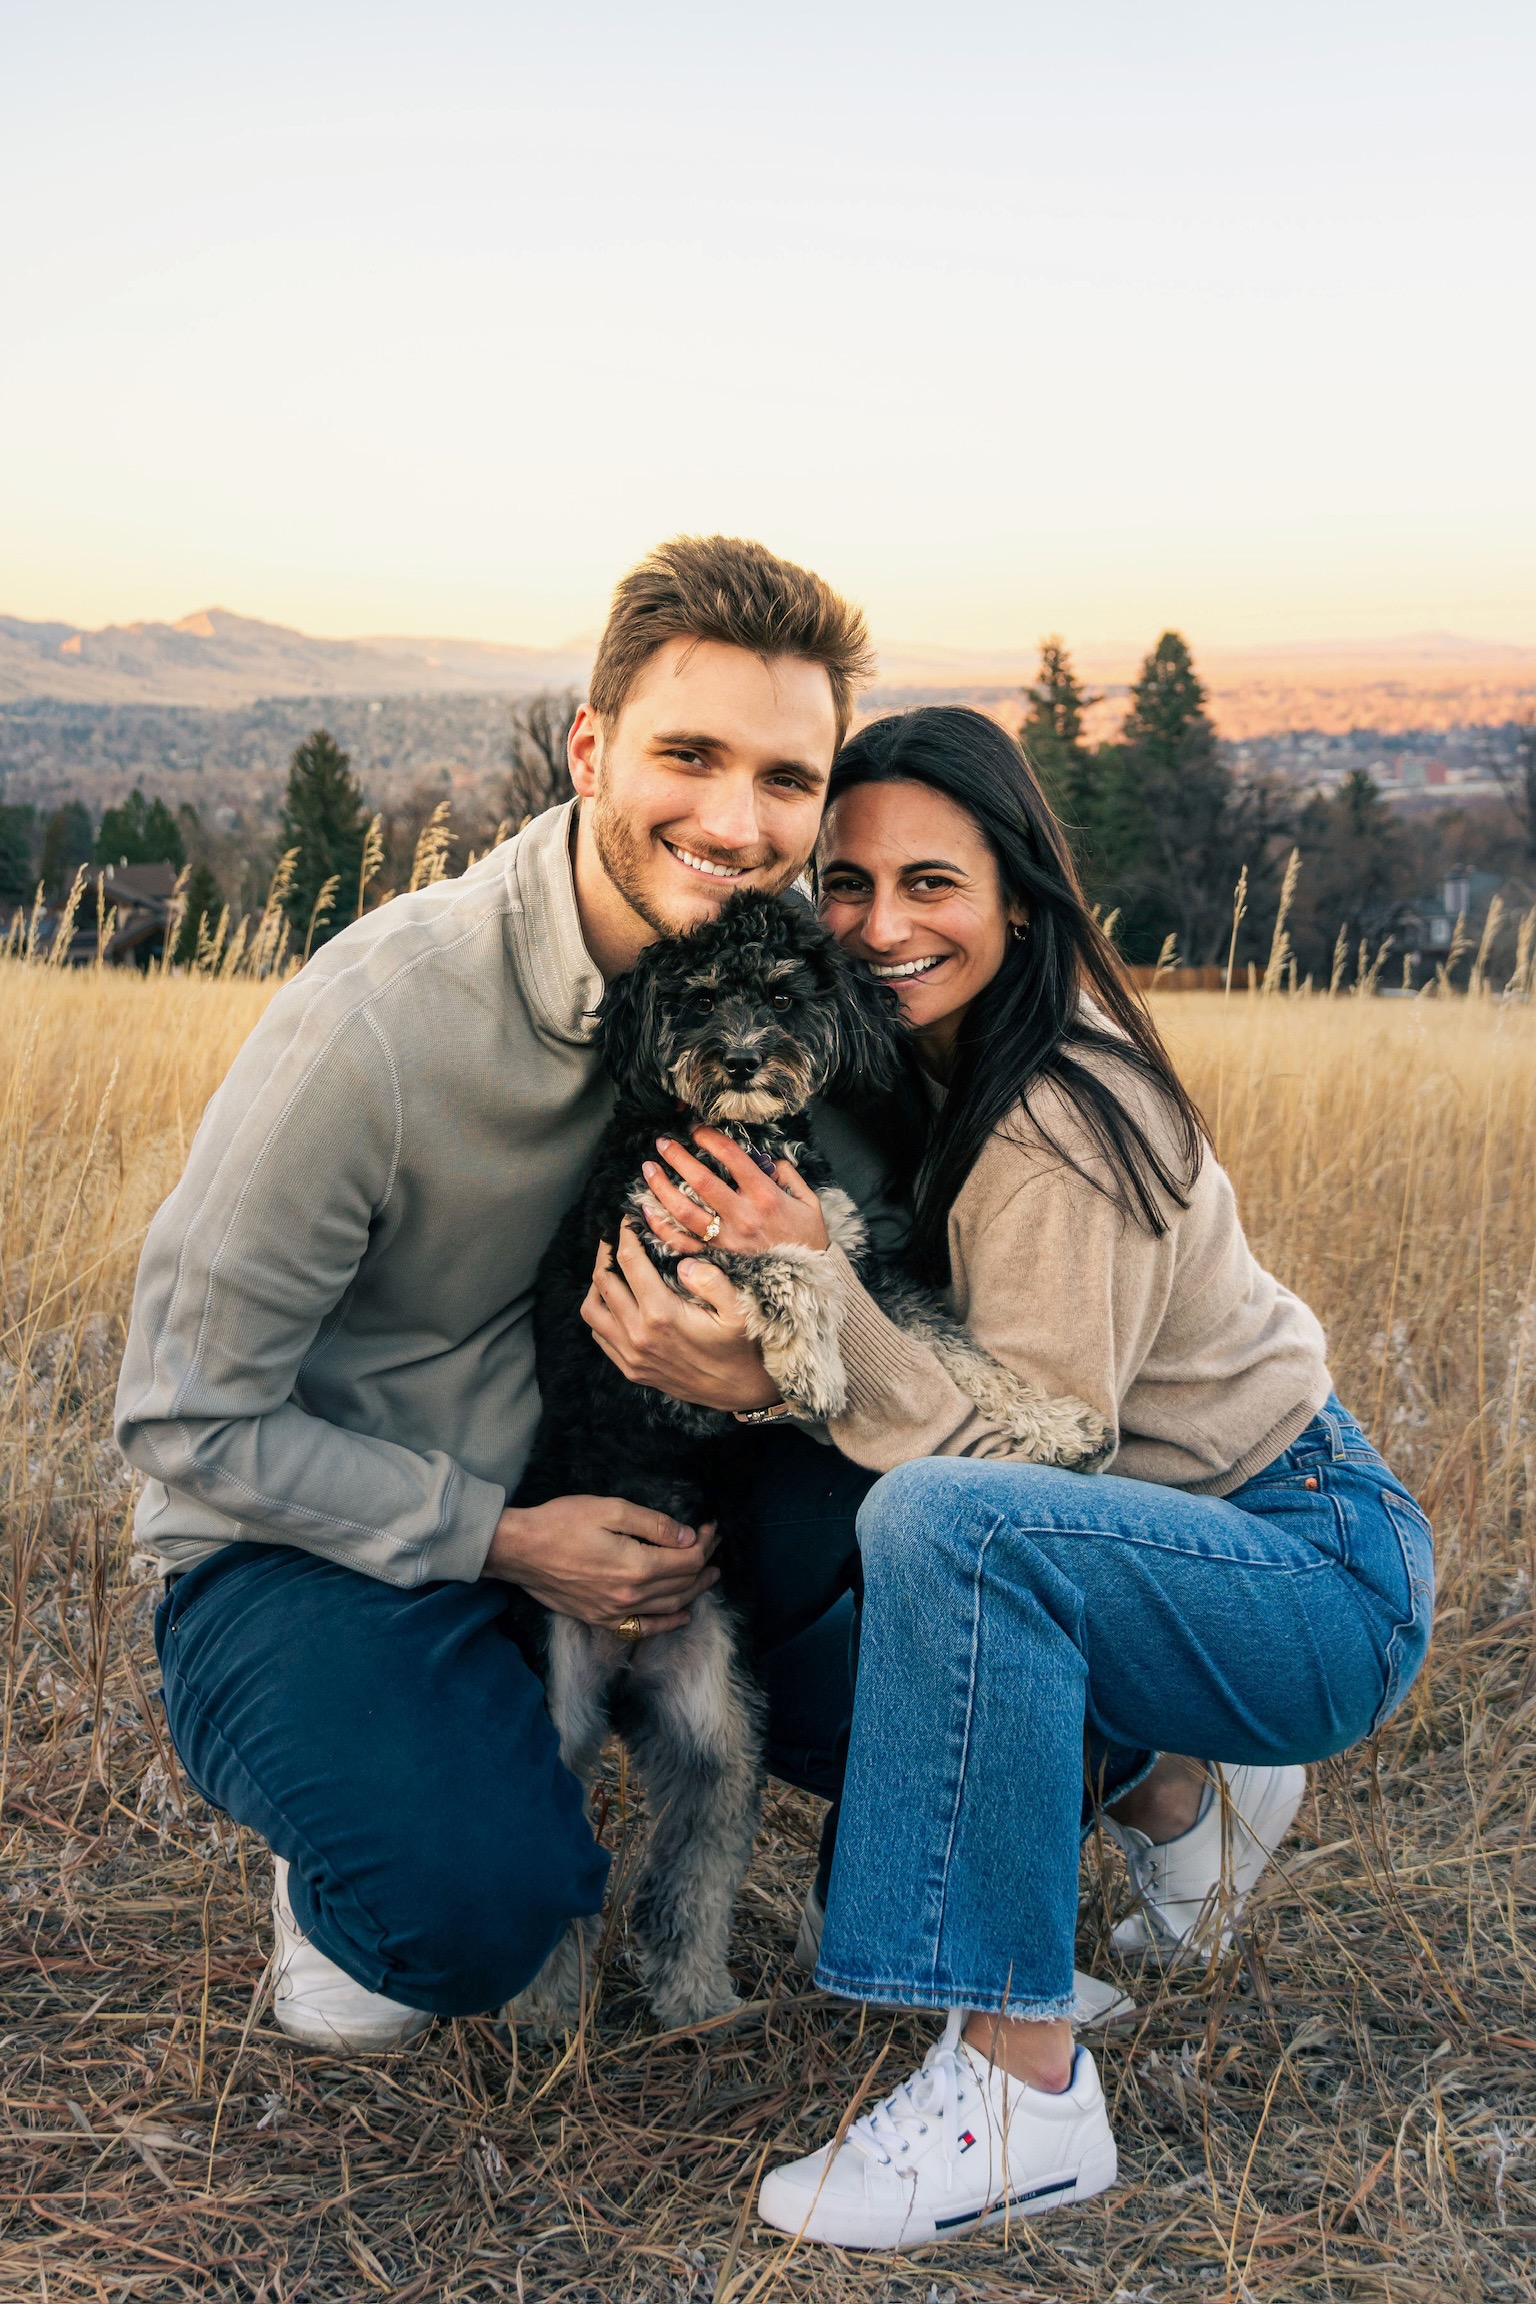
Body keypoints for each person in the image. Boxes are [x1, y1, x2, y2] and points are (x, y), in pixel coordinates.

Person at [631, 706, 1434, 2252]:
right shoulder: (929, 1066)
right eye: (847, 889)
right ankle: (1177, 1783)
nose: (880, 927)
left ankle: (1020, 2096)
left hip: (1305, 1570)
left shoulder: (1057, 1110)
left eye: (932, 884)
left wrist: (797, 1322)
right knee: (843, 1531)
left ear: (1019, 895)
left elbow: (1041, 1445)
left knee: (936, 1519)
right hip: (1183, 1545)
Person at [117, 534, 884, 2047]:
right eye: (689, 755)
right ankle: (371, 1820)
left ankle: (1136, 1769)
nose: (737, 822)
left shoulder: (769, 1006)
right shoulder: (378, 1023)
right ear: (590, 749)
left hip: (611, 1485)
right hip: (307, 1542)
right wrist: (509, 1540)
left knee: (924, 1569)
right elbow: (184, 1421)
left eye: (787, 780)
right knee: (454, 1921)